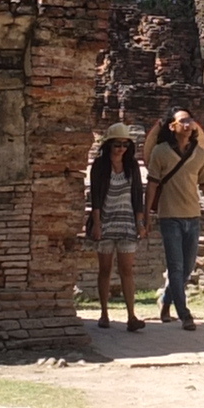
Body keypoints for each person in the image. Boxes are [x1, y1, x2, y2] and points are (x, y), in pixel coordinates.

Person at [145, 107, 204, 329]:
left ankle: (166, 300)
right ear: (172, 126)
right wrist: (147, 214)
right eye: (183, 121)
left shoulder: (199, 154)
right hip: (170, 217)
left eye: (190, 121)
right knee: (175, 268)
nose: (188, 125)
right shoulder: (160, 152)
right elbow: (152, 184)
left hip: (193, 217)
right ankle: (185, 314)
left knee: (186, 269)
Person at [84, 124, 147, 332]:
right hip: (106, 222)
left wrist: (140, 222)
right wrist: (97, 223)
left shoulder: (132, 166)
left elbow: (138, 194)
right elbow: (95, 197)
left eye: (125, 145)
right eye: (117, 144)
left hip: (127, 222)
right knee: (105, 269)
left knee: (127, 270)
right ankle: (104, 313)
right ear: (109, 145)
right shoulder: (100, 166)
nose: (121, 149)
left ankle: (131, 315)